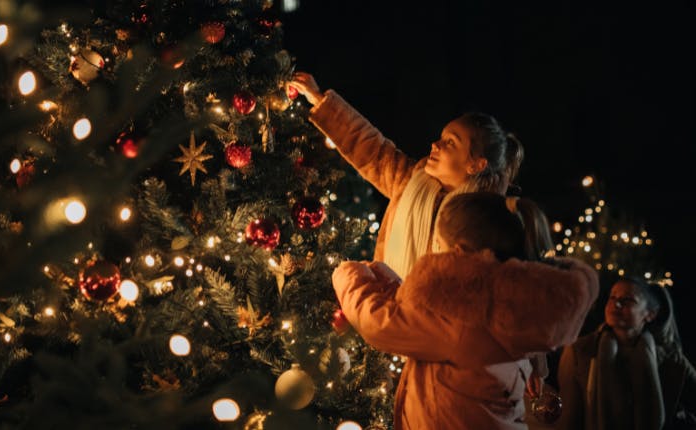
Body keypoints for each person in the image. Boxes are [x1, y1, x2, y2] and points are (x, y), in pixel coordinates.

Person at [331, 192, 599, 430]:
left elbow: (379, 322)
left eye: (439, 246)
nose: (435, 253)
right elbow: (423, 315)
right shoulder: (506, 301)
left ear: (458, 252)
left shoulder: (461, 318)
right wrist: (382, 275)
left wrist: (349, 273)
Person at [290, 72, 524, 280]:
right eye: (441, 137)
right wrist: (320, 99)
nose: (435, 145)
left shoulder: (490, 223)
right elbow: (370, 147)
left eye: (450, 142)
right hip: (391, 315)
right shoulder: (410, 181)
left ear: (476, 164)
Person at [557, 277, 696, 430]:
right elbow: (568, 420)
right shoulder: (580, 351)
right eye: (613, 297)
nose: (616, 304)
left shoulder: (671, 360)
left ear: (650, 314)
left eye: (628, 300)